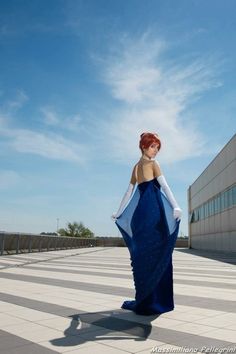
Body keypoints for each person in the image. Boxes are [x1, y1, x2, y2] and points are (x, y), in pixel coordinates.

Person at [111, 132, 182, 315]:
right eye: (153, 147)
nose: (156, 151)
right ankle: (156, 301)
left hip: (139, 215)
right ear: (143, 146)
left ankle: (144, 299)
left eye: (157, 148)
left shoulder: (135, 167)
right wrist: (176, 206)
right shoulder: (153, 164)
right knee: (159, 252)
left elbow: (128, 193)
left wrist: (119, 213)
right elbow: (165, 187)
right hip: (154, 213)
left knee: (141, 256)